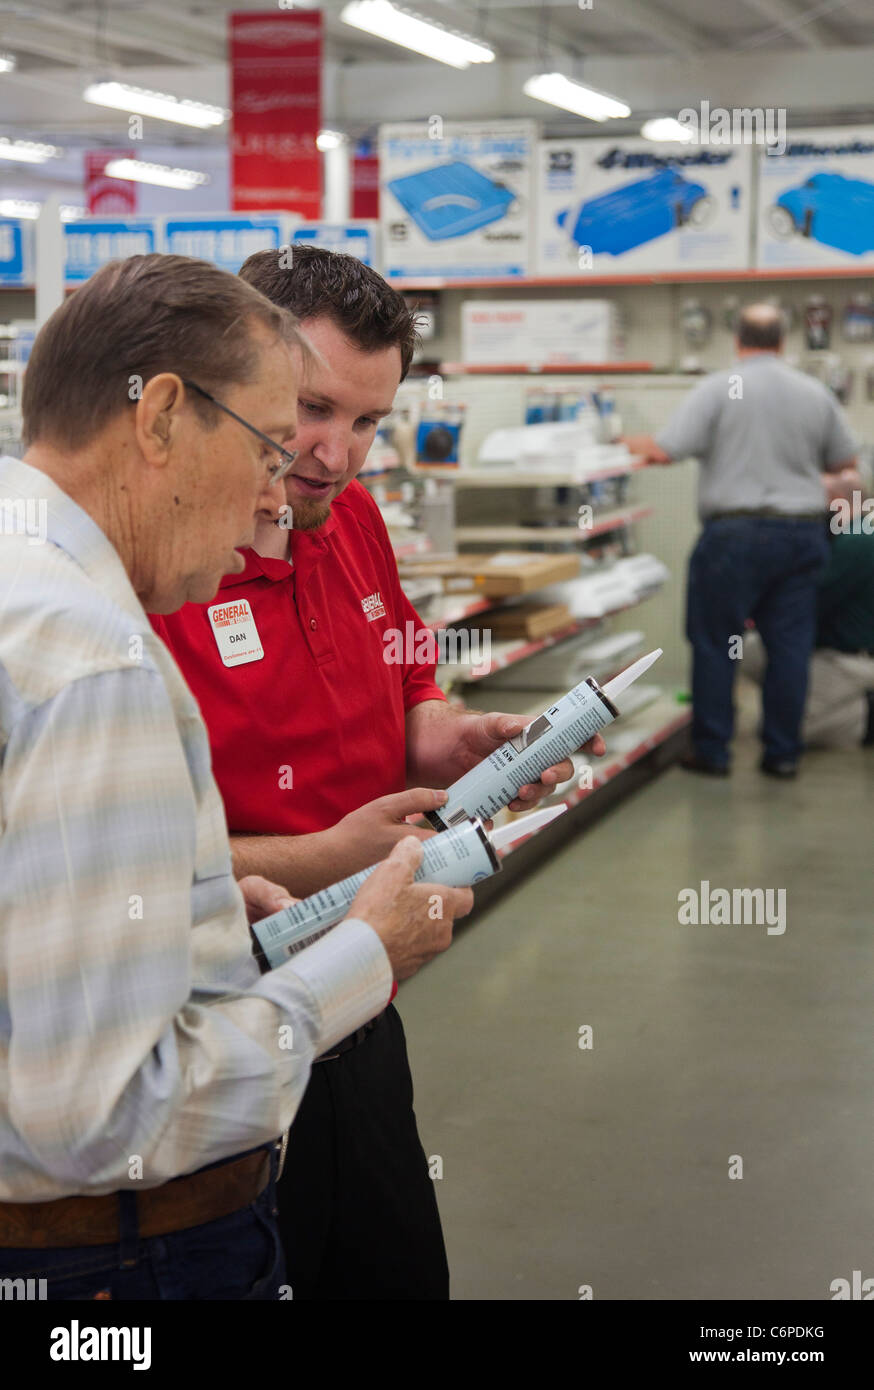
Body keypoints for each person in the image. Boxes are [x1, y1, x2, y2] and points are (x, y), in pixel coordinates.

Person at [0, 253, 472, 1302]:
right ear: (161, 416)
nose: (285, 490)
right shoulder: (94, 657)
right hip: (119, 1250)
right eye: (270, 441)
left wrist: (192, 899)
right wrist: (358, 955)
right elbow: (108, 1117)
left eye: (363, 424)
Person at [150, 244, 606, 1300]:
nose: (335, 453)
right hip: (217, 1030)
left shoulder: (348, 518)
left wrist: (456, 741)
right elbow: (110, 856)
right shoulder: (157, 568)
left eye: (367, 421)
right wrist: (318, 857)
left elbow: (406, 675)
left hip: (359, 1003)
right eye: (311, 409)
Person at [625, 303, 858, 779]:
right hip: (801, 535)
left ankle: (713, 752)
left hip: (734, 537)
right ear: (782, 340)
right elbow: (843, 463)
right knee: (790, 646)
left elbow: (668, 449)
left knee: (718, 642)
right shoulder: (813, 392)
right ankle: (783, 753)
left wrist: (626, 441)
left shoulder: (718, 388)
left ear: (737, 340)